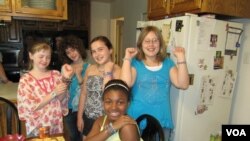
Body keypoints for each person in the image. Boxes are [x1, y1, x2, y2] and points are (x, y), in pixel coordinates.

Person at [120, 25, 189, 140]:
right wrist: (127, 58)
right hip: (136, 121)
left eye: (155, 40)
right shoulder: (135, 63)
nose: (151, 45)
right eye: (147, 41)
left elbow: (183, 84)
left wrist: (181, 58)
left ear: (160, 44)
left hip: (161, 122)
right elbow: (125, 84)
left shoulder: (168, 63)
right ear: (141, 44)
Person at [17, 41, 74, 137]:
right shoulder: (26, 80)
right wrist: (53, 93)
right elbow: (32, 106)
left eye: (48, 57)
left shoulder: (56, 75)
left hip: (55, 124)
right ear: (31, 55)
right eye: (41, 56)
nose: (45, 60)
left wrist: (66, 79)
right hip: (37, 127)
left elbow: (60, 100)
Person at [77, 36, 121, 140]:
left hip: (108, 120)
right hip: (88, 118)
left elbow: (112, 96)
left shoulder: (119, 71)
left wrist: (108, 72)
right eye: (93, 51)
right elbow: (83, 94)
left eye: (100, 49)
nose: (97, 54)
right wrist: (79, 117)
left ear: (110, 50)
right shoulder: (90, 69)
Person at [59, 34, 89, 141]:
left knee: (84, 137)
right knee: (73, 137)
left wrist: (78, 75)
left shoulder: (89, 67)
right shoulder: (66, 68)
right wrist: (66, 78)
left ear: (79, 48)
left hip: (84, 109)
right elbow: (62, 90)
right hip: (69, 109)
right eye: (68, 52)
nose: (71, 54)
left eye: (73, 50)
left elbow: (87, 91)